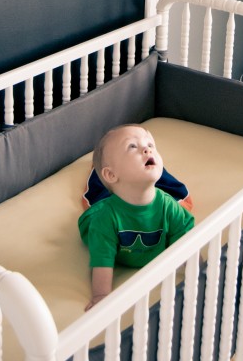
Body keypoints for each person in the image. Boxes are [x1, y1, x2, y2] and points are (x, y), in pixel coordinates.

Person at [78, 124, 194, 310]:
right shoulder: (105, 219)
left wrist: (200, 276)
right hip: (107, 211)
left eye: (150, 144)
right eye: (132, 146)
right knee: (97, 198)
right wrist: (101, 296)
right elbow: (102, 259)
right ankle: (97, 171)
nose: (147, 148)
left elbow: (188, 244)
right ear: (112, 174)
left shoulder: (169, 206)